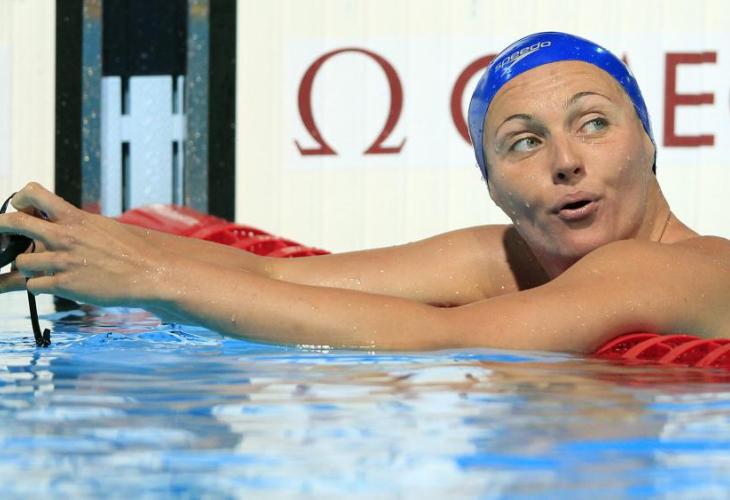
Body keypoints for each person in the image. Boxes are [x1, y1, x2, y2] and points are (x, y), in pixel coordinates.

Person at [1, 32, 729, 353]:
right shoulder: (511, 260)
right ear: (491, 185)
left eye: (594, 124)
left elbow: (442, 339)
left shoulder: (675, 267)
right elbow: (274, 277)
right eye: (524, 142)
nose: (565, 162)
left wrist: (150, 279)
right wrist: (64, 244)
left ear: (649, 140)